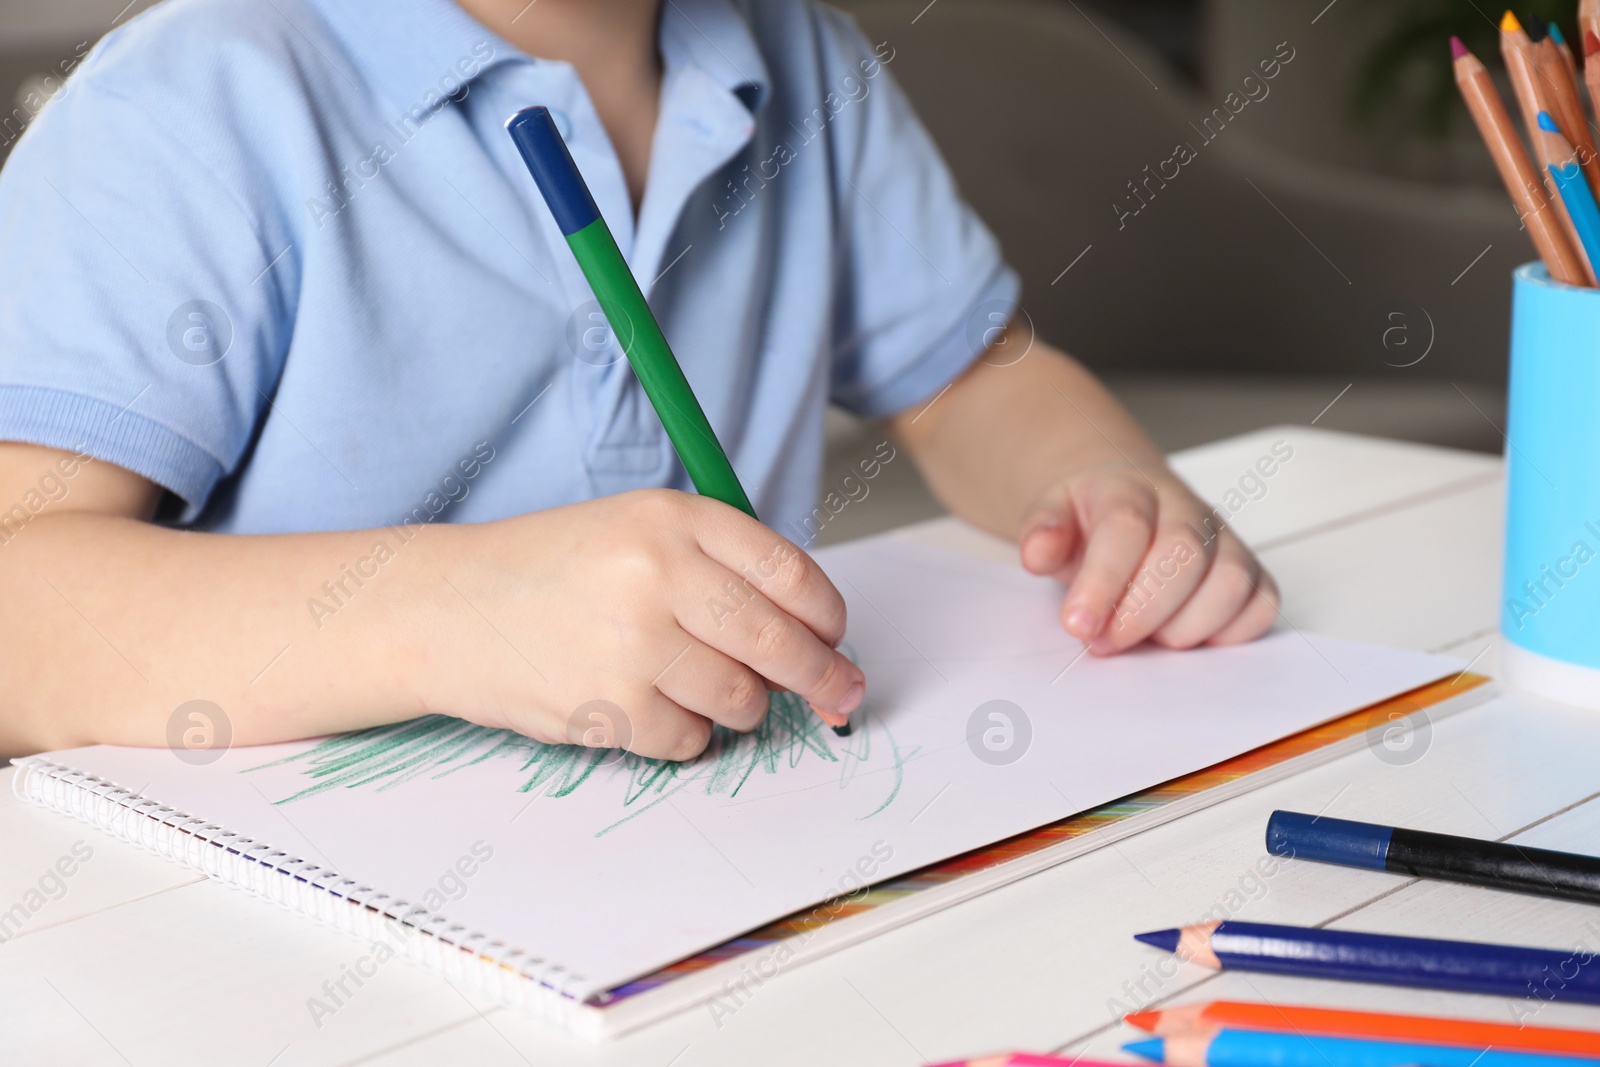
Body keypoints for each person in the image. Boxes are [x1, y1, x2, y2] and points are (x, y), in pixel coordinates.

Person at [0, 0, 1278, 760]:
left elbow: (972, 380)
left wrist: (1100, 483)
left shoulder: (808, 61)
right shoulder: (190, 102)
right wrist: (455, 606)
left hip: (720, 870)